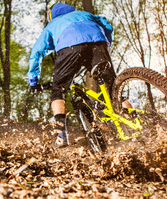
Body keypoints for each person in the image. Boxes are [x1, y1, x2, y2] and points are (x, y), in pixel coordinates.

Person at [27, 2, 116, 148]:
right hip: (99, 43)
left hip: (70, 48)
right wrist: (107, 44)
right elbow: (107, 25)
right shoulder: (86, 14)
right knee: (113, 87)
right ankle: (130, 118)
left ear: (52, 16)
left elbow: (36, 52)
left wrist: (33, 80)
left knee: (58, 90)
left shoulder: (53, 24)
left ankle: (61, 135)